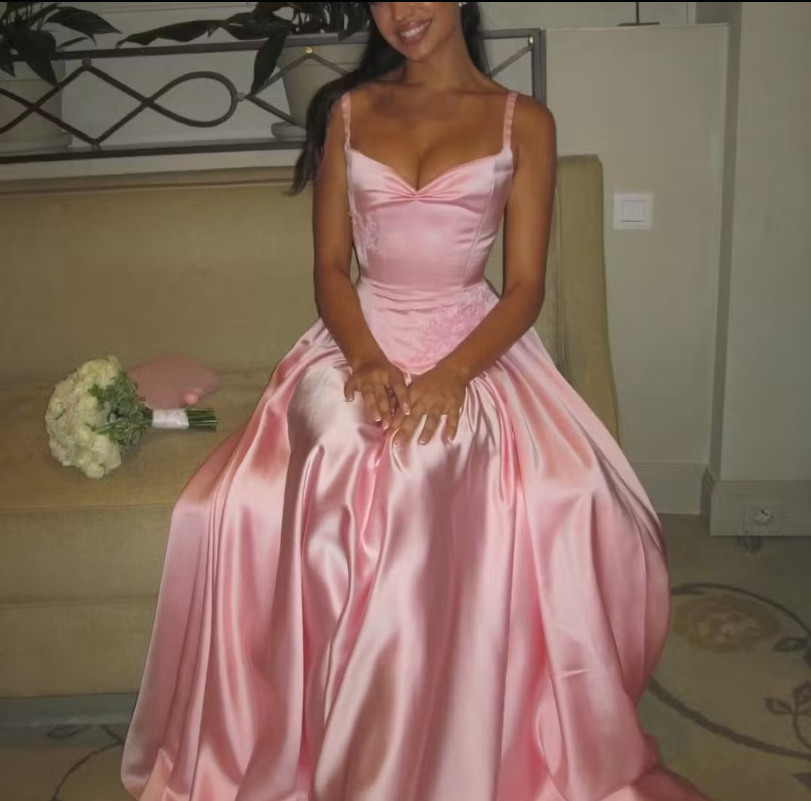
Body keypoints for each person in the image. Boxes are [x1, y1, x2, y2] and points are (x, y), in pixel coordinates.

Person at [121, 3, 713, 800]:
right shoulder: (347, 111)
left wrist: (456, 371)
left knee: (440, 448)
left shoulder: (524, 122)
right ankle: (345, 734)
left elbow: (525, 286)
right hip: (356, 339)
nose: (402, 11)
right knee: (342, 435)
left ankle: (428, 732)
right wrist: (365, 358)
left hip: (471, 343)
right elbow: (330, 269)